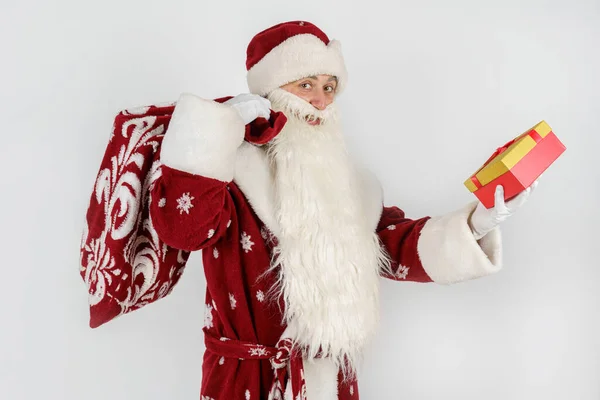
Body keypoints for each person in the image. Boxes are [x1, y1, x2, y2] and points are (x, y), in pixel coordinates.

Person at [96, 20, 536, 400]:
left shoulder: (353, 184)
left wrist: (474, 224)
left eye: (329, 87)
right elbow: (182, 230)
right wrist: (215, 132)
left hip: (330, 381)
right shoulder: (227, 171)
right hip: (247, 381)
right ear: (271, 92)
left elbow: (394, 247)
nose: (321, 100)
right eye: (306, 84)